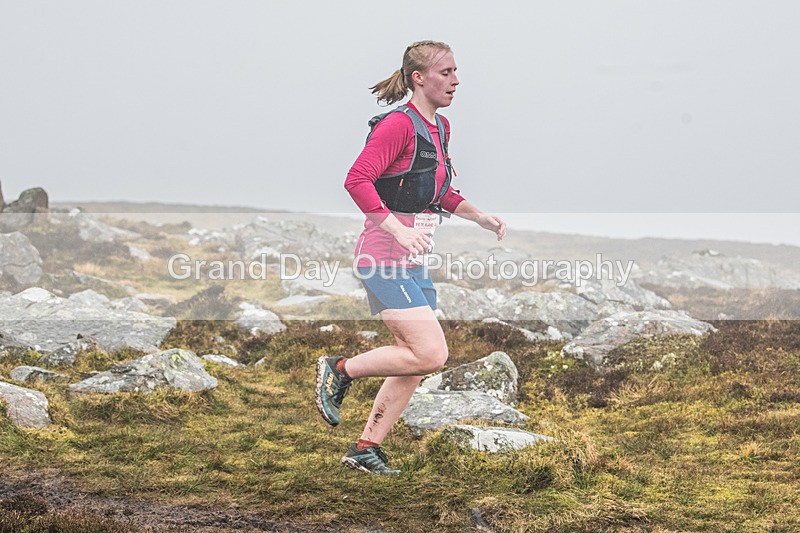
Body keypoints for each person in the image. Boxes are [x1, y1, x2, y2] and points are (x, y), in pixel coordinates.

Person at [315, 40, 506, 475]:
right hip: (382, 258)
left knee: (415, 361)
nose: (455, 81)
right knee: (431, 353)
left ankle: (365, 448)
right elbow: (357, 180)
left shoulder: (440, 127)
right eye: (445, 73)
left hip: (413, 262)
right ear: (418, 78)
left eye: (456, 72)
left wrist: (479, 216)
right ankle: (340, 369)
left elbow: (439, 190)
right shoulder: (398, 126)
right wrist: (397, 229)